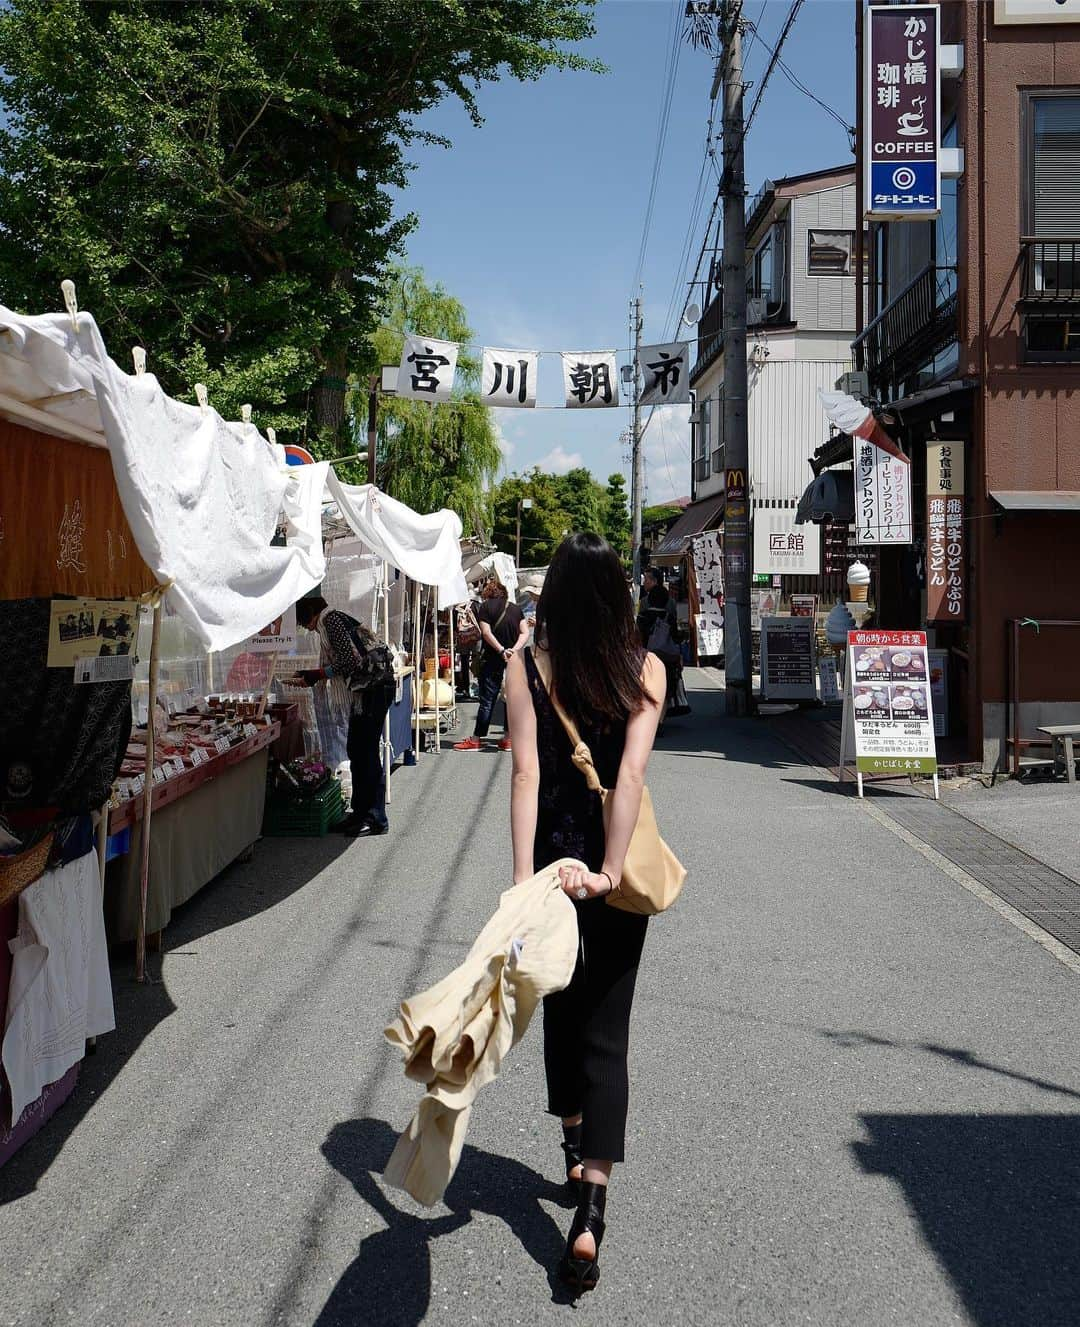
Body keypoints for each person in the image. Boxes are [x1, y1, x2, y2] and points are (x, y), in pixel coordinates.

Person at [504, 532, 666, 1293]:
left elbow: (527, 775)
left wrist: (521, 884)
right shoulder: (647, 670)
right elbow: (629, 775)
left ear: (556, 600)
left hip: (550, 875)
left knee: (561, 1016)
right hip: (612, 881)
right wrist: (607, 870)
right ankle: (591, 1211)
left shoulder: (526, 668)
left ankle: (571, 1145)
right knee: (607, 1033)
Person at [293, 596, 395, 838]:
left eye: (303, 621)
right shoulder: (333, 620)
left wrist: (317, 674)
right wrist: (315, 674)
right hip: (367, 690)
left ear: (310, 613)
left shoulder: (331, 621)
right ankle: (360, 813)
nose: (305, 627)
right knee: (357, 750)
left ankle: (375, 817)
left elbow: (348, 661)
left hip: (373, 690)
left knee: (366, 753)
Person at [453, 576, 528, 753]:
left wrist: (501, 650)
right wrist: (512, 650)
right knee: (509, 699)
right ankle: (508, 739)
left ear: (488, 594)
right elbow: (524, 633)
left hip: (493, 659)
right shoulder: (516, 609)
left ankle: (477, 739)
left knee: (488, 699)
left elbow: (486, 633)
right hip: (513, 660)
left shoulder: (485, 607)